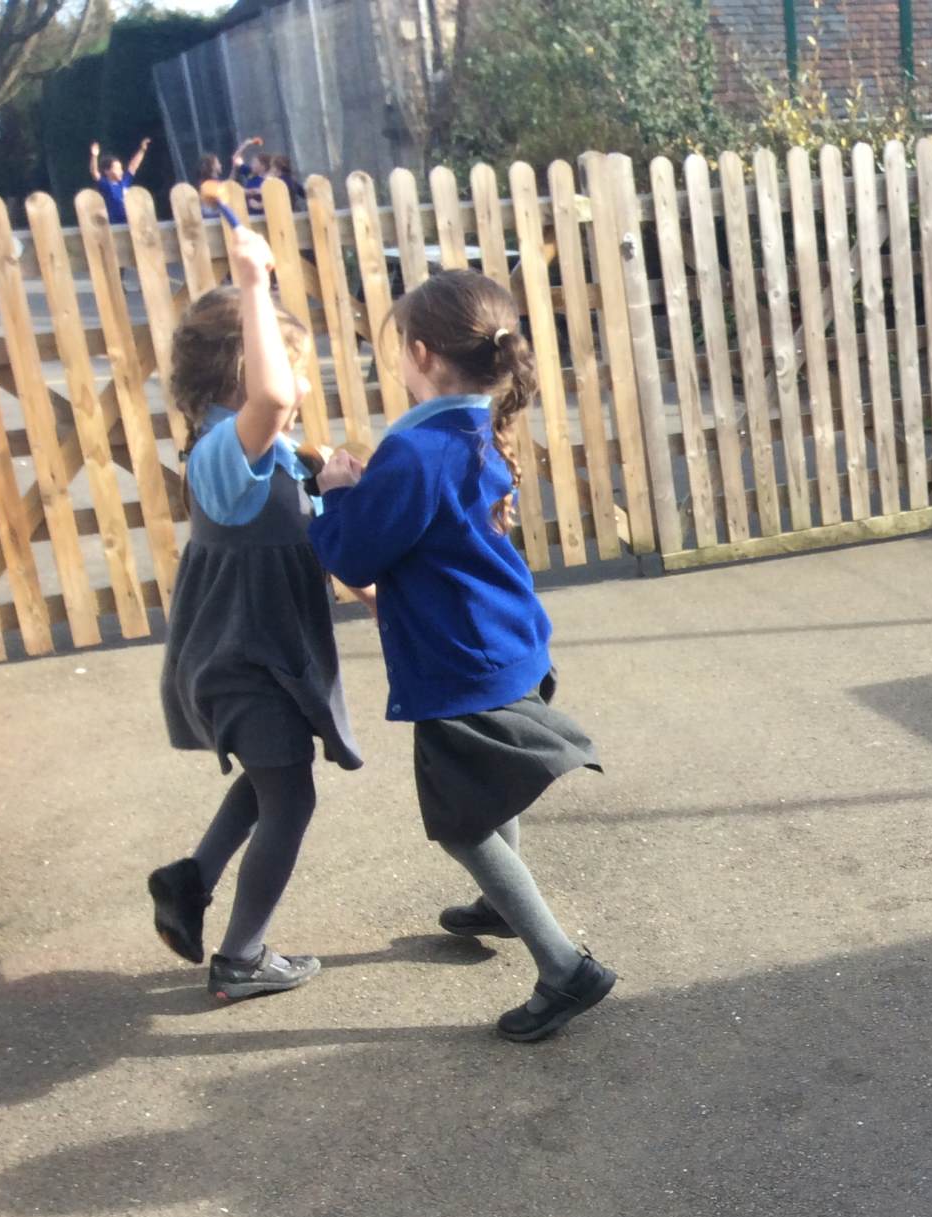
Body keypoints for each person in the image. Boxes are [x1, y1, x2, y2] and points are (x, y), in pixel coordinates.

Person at [308, 269, 614, 1043]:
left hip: (458, 665)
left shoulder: (415, 450)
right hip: (506, 640)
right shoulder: (476, 429)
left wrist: (337, 493)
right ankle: (500, 906)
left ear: (420, 354)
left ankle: (564, 967)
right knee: (487, 790)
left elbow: (356, 553)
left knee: (459, 824)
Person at [147, 224, 365, 1002]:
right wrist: (252, 283)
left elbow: (307, 542)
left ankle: (189, 880)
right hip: (239, 662)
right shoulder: (221, 455)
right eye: (292, 366)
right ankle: (241, 960)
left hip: (265, 656)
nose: (298, 385)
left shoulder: (271, 458)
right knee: (291, 797)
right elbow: (272, 397)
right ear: (244, 370)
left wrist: (331, 496)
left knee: (276, 776)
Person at [88, 138, 151, 224]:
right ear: (107, 171)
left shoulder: (124, 182)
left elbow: (133, 166)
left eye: (121, 168)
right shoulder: (106, 185)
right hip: (115, 225)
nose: (120, 171)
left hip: (130, 223)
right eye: (117, 169)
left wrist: (142, 150)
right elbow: (94, 172)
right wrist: (94, 156)